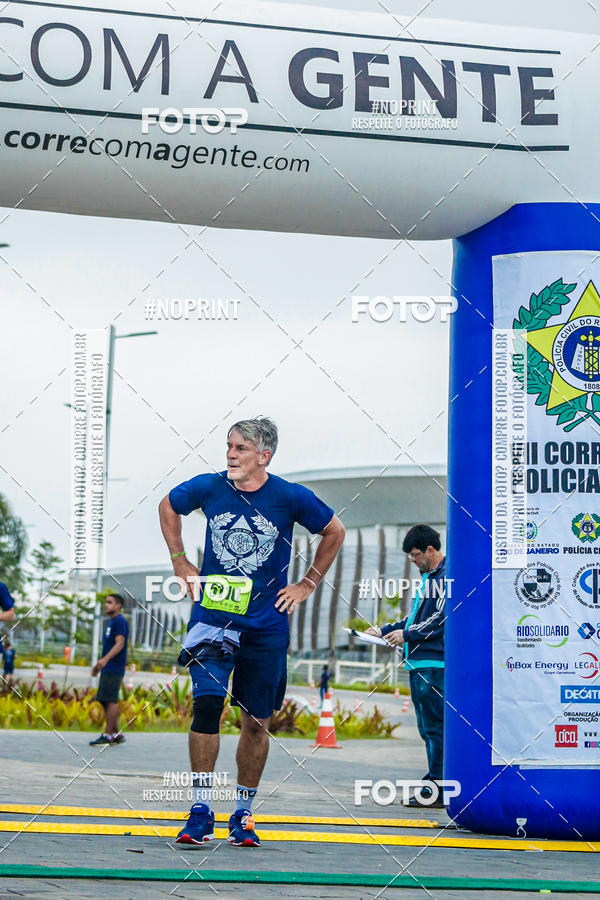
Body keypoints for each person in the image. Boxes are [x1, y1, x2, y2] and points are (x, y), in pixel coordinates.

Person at [159, 417, 345, 847]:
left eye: (240, 448)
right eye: (228, 446)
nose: (230, 454)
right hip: (212, 621)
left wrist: (308, 583)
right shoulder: (209, 487)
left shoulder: (290, 496)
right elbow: (168, 506)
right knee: (206, 709)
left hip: (265, 626)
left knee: (257, 724)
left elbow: (334, 530)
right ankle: (200, 811)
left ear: (264, 456)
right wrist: (179, 560)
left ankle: (242, 813)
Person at [367, 524, 445, 809]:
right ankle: (435, 781)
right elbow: (414, 619)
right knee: (428, 729)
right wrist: (385, 629)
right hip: (418, 661)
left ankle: (438, 785)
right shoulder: (428, 578)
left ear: (430, 550)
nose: (412, 561)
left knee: (435, 728)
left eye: (415, 555)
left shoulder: (445, 577)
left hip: (433, 663)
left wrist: (407, 635)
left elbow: (441, 619)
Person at [89, 594, 129, 746]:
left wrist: (104, 661)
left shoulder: (120, 621)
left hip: (114, 666)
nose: (106, 605)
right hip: (108, 667)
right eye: (106, 602)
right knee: (105, 700)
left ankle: (107, 735)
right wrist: (99, 667)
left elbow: (120, 643)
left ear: (118, 605)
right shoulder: (111, 622)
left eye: (110, 602)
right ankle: (116, 733)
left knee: (110, 700)